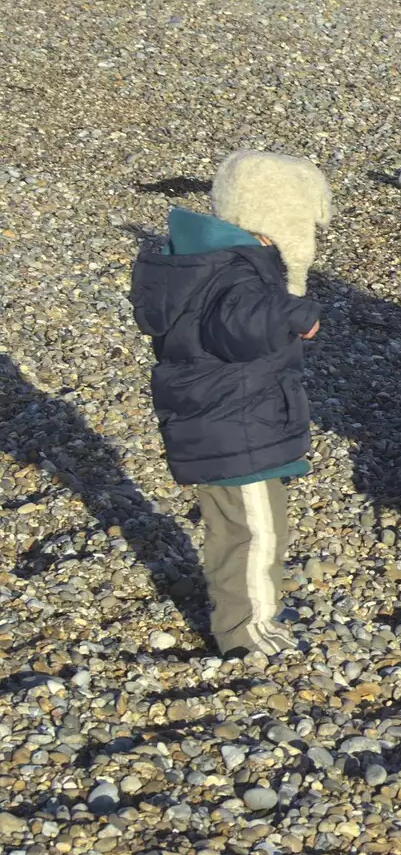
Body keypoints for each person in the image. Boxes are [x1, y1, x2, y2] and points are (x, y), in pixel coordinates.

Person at [129, 150, 332, 658]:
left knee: (240, 529)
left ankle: (247, 616)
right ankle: (248, 632)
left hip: (229, 424)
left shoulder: (207, 264)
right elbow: (238, 323)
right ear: (275, 222)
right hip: (237, 430)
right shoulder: (236, 274)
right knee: (254, 533)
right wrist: (292, 310)